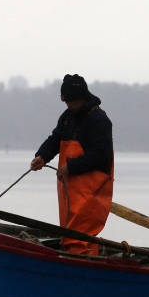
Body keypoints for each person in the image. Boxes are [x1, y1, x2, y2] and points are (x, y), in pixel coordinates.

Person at [30, 74, 114, 255]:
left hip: (92, 190)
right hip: (70, 188)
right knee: (69, 232)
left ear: (83, 98)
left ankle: (82, 266)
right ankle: (80, 263)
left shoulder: (99, 120)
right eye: (67, 101)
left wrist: (70, 167)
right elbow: (55, 139)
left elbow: (100, 155)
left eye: (73, 101)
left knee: (80, 234)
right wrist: (42, 156)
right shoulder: (67, 117)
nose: (70, 105)